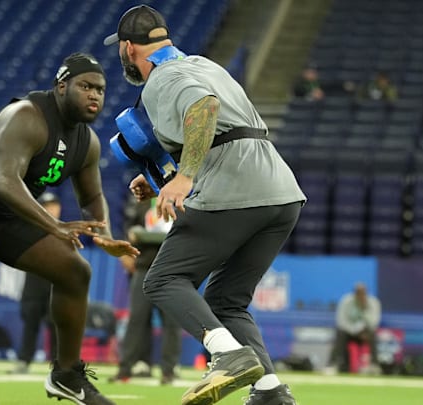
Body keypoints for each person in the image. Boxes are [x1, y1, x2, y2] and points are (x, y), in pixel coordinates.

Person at [104, 5, 306, 405]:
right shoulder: (202, 64)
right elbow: (226, 124)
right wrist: (168, 172)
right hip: (280, 191)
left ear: (128, 48)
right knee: (226, 302)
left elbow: (204, 109)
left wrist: (185, 176)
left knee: (163, 280)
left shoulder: (163, 77)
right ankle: (269, 392)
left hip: (234, 187)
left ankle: (227, 354)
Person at [0, 53, 138, 405]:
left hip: (4, 209)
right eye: (85, 86)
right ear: (61, 86)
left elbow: (93, 196)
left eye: (100, 89)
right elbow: (4, 181)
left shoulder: (87, 143)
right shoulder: (28, 116)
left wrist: (105, 236)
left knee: (74, 270)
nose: (94, 95)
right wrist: (55, 224)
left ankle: (67, 375)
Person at [109, 196, 182, 385]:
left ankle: (169, 370)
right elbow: (130, 231)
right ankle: (125, 368)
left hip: (171, 269)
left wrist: (144, 236)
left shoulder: (181, 199)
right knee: (137, 319)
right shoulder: (140, 202)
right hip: (144, 267)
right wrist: (128, 248)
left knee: (171, 321)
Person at [11, 192, 60, 374]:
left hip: (55, 283)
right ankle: (24, 360)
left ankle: (58, 362)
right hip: (34, 283)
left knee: (56, 324)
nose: (52, 209)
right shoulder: (30, 228)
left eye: (55, 206)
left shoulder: (64, 229)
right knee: (30, 324)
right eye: (48, 206)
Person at [327, 283, 381, 374]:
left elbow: (374, 323)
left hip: (365, 333)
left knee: (372, 334)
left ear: (366, 293)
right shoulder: (346, 301)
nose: (360, 295)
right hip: (349, 332)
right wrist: (355, 331)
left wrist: (364, 309)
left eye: (362, 293)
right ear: (354, 292)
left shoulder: (373, 302)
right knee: (340, 333)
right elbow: (341, 321)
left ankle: (374, 365)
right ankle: (333, 364)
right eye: (358, 292)